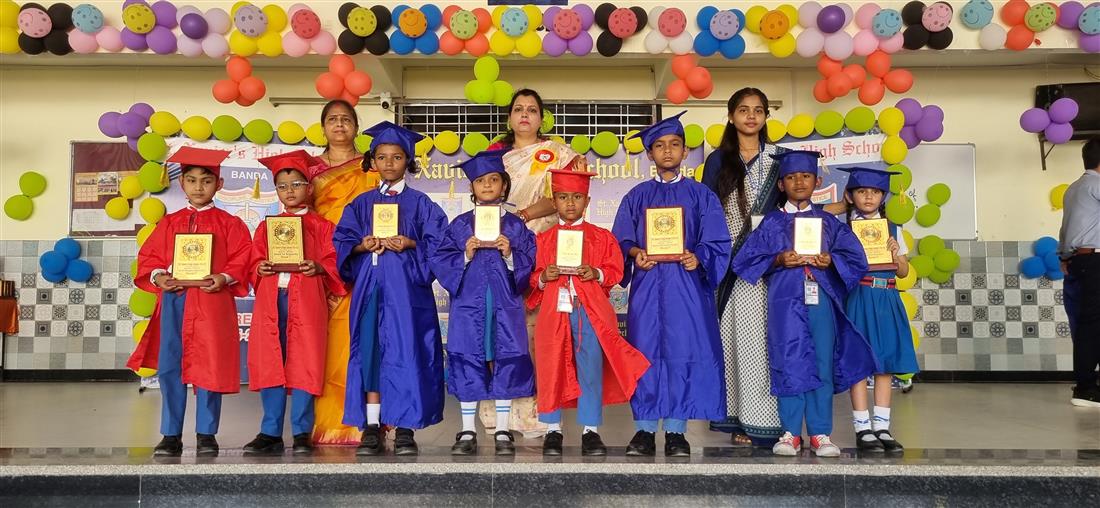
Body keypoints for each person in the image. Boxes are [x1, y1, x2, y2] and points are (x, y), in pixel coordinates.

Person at [731, 150, 876, 457]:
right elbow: (744, 261)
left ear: (817, 182)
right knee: (787, 360)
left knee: (822, 361)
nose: (799, 182)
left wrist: (831, 260)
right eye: (791, 177)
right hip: (784, 303)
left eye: (806, 176)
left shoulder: (828, 222)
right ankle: (791, 433)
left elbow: (856, 259)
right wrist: (778, 260)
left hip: (820, 299)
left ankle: (821, 433)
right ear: (781, 184)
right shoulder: (771, 223)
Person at [611, 112, 731, 456]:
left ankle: (677, 431)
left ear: (685, 151)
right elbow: (620, 240)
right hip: (648, 288)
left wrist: (699, 257)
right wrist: (636, 252)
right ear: (649, 154)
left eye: (675, 144)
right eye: (660, 146)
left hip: (686, 288)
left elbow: (716, 240)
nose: (667, 151)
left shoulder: (701, 196)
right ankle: (645, 430)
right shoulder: (636, 196)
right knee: (645, 353)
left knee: (682, 353)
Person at [126, 147, 252, 457]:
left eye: (206, 181)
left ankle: (206, 433)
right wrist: (158, 277)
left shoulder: (230, 223)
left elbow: (243, 258)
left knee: (210, 366)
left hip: (211, 301)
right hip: (175, 301)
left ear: (219, 184)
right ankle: (170, 434)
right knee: (170, 366)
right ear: (181, 183)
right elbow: (150, 258)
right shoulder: (169, 223)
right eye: (192, 180)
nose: (199, 187)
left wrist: (224, 277)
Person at [334, 121, 448, 456]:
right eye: (382, 157)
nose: (388, 163)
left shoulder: (421, 204)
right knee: (370, 353)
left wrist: (410, 242)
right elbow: (342, 241)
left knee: (408, 354)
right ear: (372, 161)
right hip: (370, 290)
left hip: (407, 295)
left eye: (396, 157)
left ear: (407, 161)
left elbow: (440, 246)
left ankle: (405, 428)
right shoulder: (361, 204)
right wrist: (361, 245)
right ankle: (372, 426)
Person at [481, 89, 589, 436]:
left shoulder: (559, 154)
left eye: (532, 109)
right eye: (518, 109)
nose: (525, 114)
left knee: (538, 332)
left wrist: (523, 216)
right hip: (499, 251)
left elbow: (563, 197)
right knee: (500, 329)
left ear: (542, 118)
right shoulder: (494, 155)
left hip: (543, 250)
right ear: (509, 117)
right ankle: (499, 411)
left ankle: (538, 411)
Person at [528, 169, 650, 456]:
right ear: (554, 201)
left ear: (588, 200)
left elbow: (615, 271)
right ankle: (552, 429)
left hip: (590, 311)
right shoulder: (543, 239)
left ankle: (590, 431)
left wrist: (595, 272)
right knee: (551, 366)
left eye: (577, 197)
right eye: (563, 197)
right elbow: (532, 278)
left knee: (590, 368)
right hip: (554, 311)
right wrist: (544, 276)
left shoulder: (601, 237)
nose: (570, 203)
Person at [430, 149, 537, 455]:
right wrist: (464, 254)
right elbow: (441, 260)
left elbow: (530, 263)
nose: (487, 185)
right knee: (467, 357)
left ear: (504, 185)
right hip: (469, 305)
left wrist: (511, 254)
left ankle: (502, 429)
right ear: (472, 187)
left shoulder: (515, 227)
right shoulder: (460, 225)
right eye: (480, 181)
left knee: (507, 357)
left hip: (505, 304)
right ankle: (467, 430)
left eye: (493, 179)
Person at [243, 150, 346, 456]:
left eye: (296, 184)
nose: (289, 191)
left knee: (305, 361)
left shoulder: (322, 227)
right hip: (272, 300)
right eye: (282, 186)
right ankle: (270, 431)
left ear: (309, 188)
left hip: (307, 300)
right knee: (270, 361)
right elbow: (253, 261)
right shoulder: (267, 227)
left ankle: (302, 431)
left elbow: (335, 262)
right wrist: (259, 267)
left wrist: (319, 267)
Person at [698, 88, 786, 447]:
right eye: (744, 110)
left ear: (766, 117)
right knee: (733, 341)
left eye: (759, 110)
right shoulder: (718, 160)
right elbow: (705, 212)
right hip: (729, 263)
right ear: (731, 115)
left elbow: (792, 208)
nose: (751, 116)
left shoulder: (779, 159)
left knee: (765, 342)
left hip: (768, 263)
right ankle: (738, 419)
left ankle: (770, 419)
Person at [310, 100, 381, 445]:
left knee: (366, 341)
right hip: (323, 265)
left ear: (356, 126)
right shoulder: (309, 170)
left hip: (365, 263)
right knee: (325, 346)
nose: (339, 125)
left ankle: (370, 421)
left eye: (346, 119)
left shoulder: (372, 167)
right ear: (323, 127)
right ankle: (329, 422)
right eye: (332, 120)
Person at [837, 167, 919, 453]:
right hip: (859, 296)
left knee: (885, 363)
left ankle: (882, 427)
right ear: (851, 196)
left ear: (883, 197)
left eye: (875, 192)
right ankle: (862, 428)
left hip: (887, 298)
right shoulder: (845, 230)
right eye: (862, 191)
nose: (868, 197)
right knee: (859, 362)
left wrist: (897, 256)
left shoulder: (894, 230)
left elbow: (904, 271)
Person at [1059, 136, 1100, 408]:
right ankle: (1085, 388)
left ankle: (1086, 385)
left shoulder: (1073, 188)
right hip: (1095, 260)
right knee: (1092, 323)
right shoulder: (1096, 184)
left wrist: (1064, 256)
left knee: (1088, 322)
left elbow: (1066, 227)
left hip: (1079, 260)